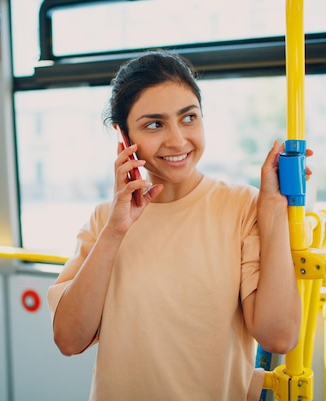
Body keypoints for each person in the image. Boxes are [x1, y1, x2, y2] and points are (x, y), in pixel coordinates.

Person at [48, 49, 303, 401]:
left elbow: (278, 336)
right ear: (123, 136)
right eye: (154, 124)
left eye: (188, 118)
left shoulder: (243, 206)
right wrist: (115, 231)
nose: (177, 140)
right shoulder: (104, 221)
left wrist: (272, 208)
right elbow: (69, 340)